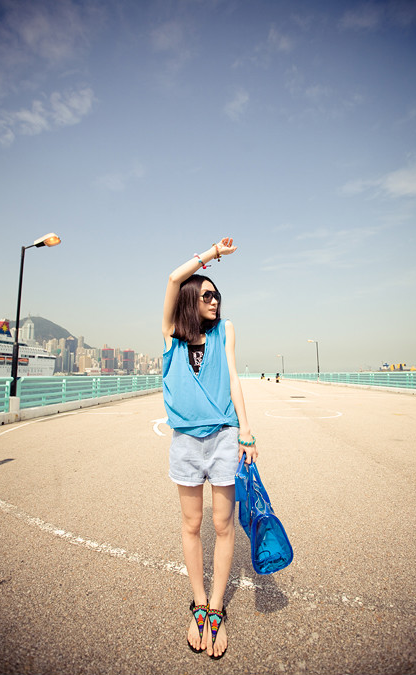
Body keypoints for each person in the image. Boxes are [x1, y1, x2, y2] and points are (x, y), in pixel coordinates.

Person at [162, 238, 257, 659]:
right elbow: (172, 278)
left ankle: (217, 608)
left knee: (222, 525)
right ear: (191, 300)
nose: (214, 300)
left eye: (217, 295)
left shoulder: (225, 331)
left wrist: (246, 430)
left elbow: (233, 378)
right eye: (206, 295)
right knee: (191, 524)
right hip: (185, 441)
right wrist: (212, 254)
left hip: (222, 436)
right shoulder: (171, 336)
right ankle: (198, 604)